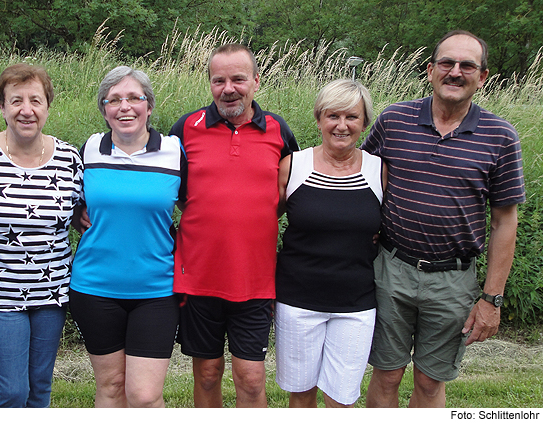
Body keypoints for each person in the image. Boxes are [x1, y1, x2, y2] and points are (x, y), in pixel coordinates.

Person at [361, 30, 526, 407]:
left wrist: (491, 299)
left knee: (430, 382)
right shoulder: (394, 120)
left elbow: (505, 222)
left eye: (467, 65)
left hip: (453, 280)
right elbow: (364, 176)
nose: (455, 72)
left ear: (482, 76)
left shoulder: (500, 136)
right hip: (391, 268)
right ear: (430, 70)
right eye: (447, 63)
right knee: (385, 374)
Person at [170, 43, 298, 407]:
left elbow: (285, 195)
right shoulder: (185, 128)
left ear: (256, 81)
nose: (229, 88)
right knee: (208, 373)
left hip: (255, 278)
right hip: (199, 276)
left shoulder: (278, 130)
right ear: (209, 84)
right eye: (219, 80)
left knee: (252, 379)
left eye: (238, 79)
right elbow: (173, 192)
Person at [0, 64, 82, 407]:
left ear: (48, 107)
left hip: (51, 291)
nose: (27, 110)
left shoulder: (70, 159)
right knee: (12, 391)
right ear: (2, 107)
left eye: (36, 101)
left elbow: (83, 217)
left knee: (39, 388)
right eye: (16, 101)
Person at [69, 66, 183, 407]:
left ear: (149, 105)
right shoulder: (88, 150)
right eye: (114, 99)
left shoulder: (175, 152)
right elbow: (66, 200)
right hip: (95, 288)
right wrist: (76, 213)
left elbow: (196, 209)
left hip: (156, 289)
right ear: (104, 109)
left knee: (144, 396)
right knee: (111, 387)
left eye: (135, 97)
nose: (125, 106)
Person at [275, 79, 385, 408]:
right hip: (297, 301)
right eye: (332, 115)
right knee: (301, 396)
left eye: (352, 117)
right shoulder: (293, 166)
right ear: (319, 119)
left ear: (365, 123)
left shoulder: (379, 171)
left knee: (342, 399)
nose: (341, 125)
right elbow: (265, 224)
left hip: (356, 304)